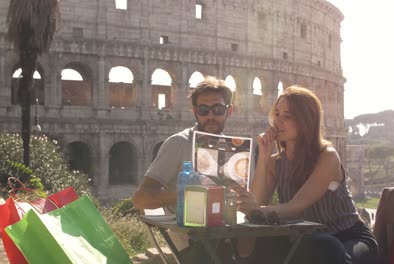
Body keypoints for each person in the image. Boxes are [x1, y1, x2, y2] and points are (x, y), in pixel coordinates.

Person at [235, 86, 378, 264]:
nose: (278, 121)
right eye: (277, 114)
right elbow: (256, 203)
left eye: (287, 116)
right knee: (266, 245)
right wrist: (263, 158)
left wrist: (256, 211)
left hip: (347, 236)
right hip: (307, 240)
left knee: (326, 246)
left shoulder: (327, 156)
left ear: (306, 121)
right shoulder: (274, 162)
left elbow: (297, 205)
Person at [133, 76, 234, 263]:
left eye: (218, 109)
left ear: (229, 111)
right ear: (195, 111)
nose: (211, 116)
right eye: (204, 110)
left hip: (228, 234)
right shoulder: (179, 143)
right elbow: (140, 199)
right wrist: (186, 194)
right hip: (192, 242)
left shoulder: (234, 150)